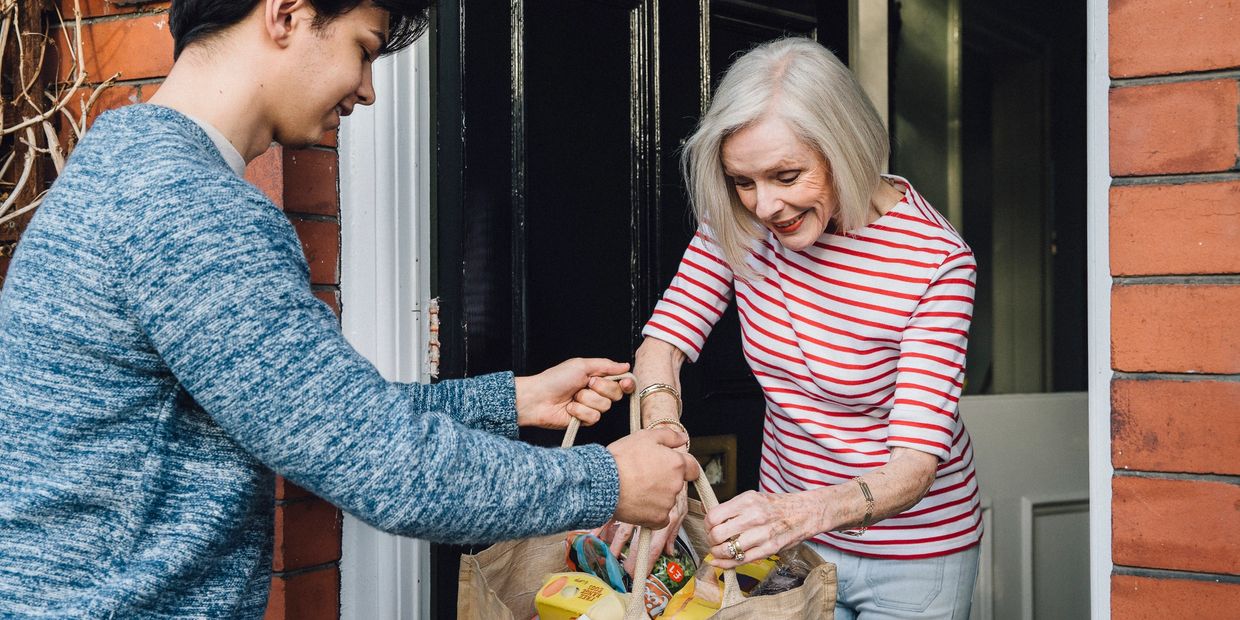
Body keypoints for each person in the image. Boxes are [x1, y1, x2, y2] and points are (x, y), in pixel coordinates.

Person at [0, 0, 700, 616]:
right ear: (285, 14)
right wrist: (608, 481)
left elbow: (320, 414)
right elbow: (383, 466)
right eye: (363, 49)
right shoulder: (191, 210)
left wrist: (508, 401)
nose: (366, 91)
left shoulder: (132, 167)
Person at [616, 38, 981, 618]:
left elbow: (914, 467)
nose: (765, 206)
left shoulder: (935, 262)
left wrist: (795, 513)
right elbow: (663, 342)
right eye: (744, 180)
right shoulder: (738, 220)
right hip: (792, 546)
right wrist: (664, 451)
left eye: (788, 175)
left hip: (915, 556)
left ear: (847, 148)